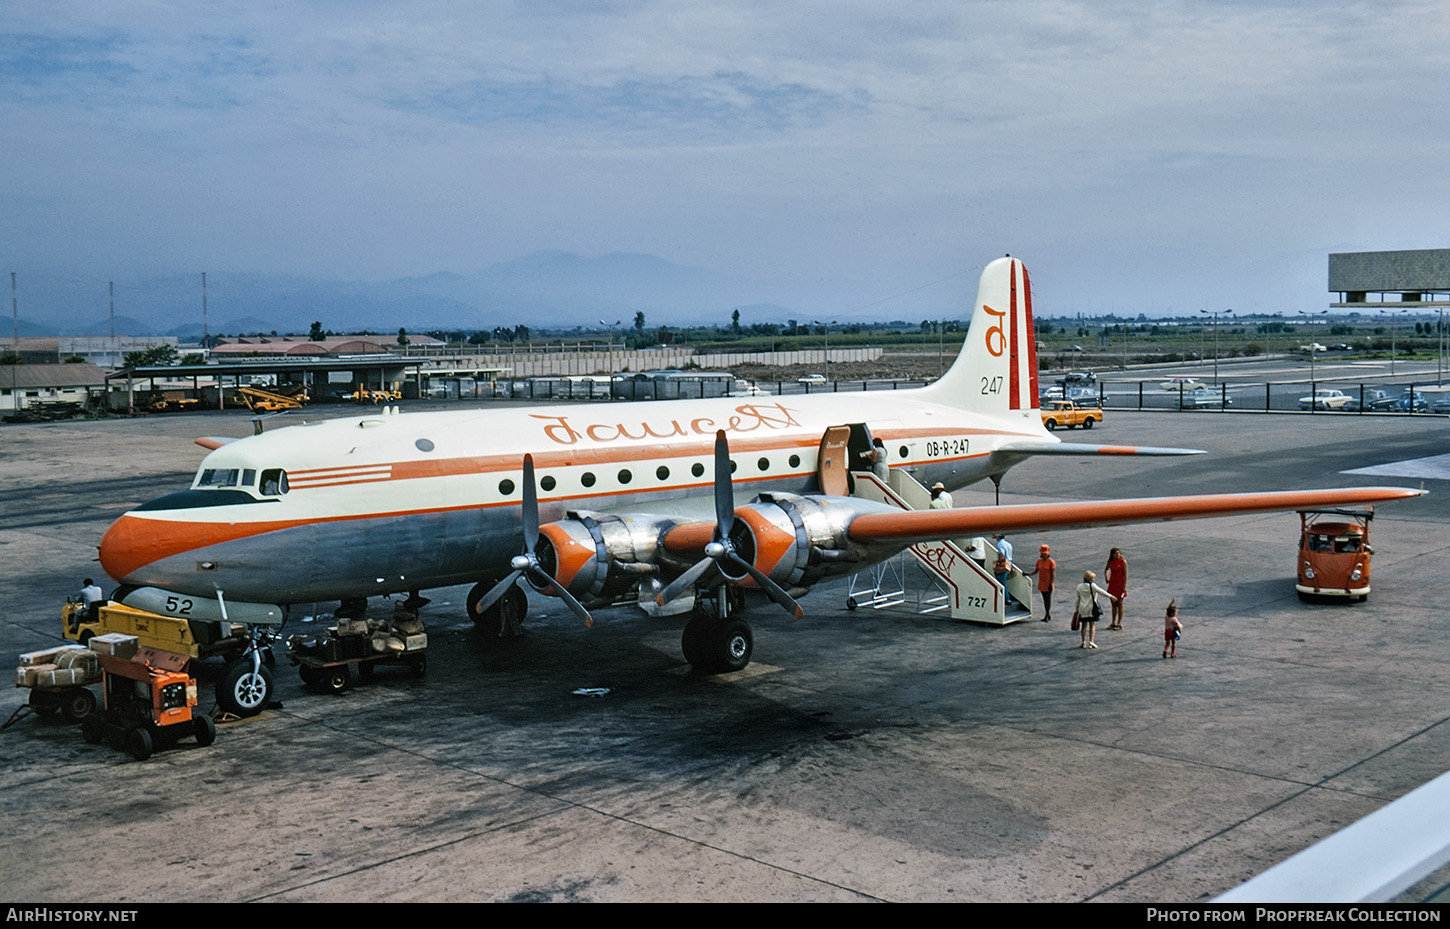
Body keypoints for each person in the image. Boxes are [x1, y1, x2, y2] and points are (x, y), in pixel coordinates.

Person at [1074, 570, 1116, 649]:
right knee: (1092, 624)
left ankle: (1083, 642)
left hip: (1082, 608)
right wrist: (1111, 596)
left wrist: (1077, 609)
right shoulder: (1092, 586)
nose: (1094, 579)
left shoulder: (1079, 586)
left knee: (1084, 625)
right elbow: (1101, 591)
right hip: (1091, 608)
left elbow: (1077, 599)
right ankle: (1091, 641)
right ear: (1090, 578)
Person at [1024, 544, 1056, 622]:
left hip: (1048, 583)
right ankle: (1048, 614)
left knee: (1047, 599)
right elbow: (1036, 571)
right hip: (1042, 582)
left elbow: (1053, 574)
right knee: (1044, 599)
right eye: (1043, 553)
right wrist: (1028, 574)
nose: (1044, 555)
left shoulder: (1051, 562)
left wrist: (1051, 583)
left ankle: (1047, 614)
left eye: (1045, 554)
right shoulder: (1039, 561)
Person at [1105, 547, 1128, 630]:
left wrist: (1124, 587)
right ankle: (1113, 622)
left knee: (1120, 604)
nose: (1118, 554)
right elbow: (1106, 569)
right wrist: (1106, 578)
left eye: (1118, 553)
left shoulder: (1123, 562)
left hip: (1120, 584)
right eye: (1116, 553)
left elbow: (1125, 575)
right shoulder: (1110, 562)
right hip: (1112, 584)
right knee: (1113, 604)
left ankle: (1119, 623)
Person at [993, 534, 1015, 604]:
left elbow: (1001, 554)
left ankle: (1007, 599)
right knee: (1004, 580)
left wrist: (999, 562)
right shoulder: (1008, 544)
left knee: (1001, 582)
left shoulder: (1000, 544)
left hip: (1004, 563)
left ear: (998, 537)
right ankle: (1006, 597)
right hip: (1009, 562)